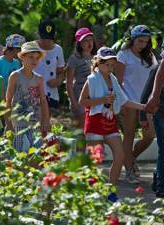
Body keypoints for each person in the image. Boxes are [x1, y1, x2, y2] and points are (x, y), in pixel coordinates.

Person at [79, 47, 145, 189]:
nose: (110, 68)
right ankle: (91, 193)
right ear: (98, 63)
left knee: (120, 155)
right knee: (95, 160)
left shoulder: (113, 80)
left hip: (109, 122)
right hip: (94, 123)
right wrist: (102, 100)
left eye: (112, 65)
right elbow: (82, 102)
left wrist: (143, 107)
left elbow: (124, 100)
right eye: (107, 64)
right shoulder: (91, 80)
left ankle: (111, 189)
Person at [115, 25, 157, 183]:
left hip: (146, 104)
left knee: (149, 136)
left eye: (146, 42)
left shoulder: (150, 56)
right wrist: (123, 102)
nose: (143, 44)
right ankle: (129, 170)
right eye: (140, 41)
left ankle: (130, 158)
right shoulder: (123, 55)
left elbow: (155, 79)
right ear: (132, 39)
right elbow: (118, 81)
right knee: (129, 135)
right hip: (129, 103)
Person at [6, 41, 50, 151]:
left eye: (36, 58)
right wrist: (8, 123)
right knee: (16, 152)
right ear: (22, 58)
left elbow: (43, 101)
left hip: (34, 121)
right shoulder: (15, 76)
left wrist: (46, 121)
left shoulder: (39, 79)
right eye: (31, 57)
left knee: (37, 151)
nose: (34, 60)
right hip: (17, 121)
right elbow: (8, 100)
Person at [141, 41, 164, 198]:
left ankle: (158, 177)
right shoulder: (158, 68)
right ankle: (161, 185)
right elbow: (146, 93)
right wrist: (143, 116)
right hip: (161, 109)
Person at [67, 28, 95, 129]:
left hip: (92, 98)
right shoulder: (74, 59)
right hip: (78, 97)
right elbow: (69, 83)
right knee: (81, 130)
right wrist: (73, 102)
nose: (89, 43)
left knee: (91, 129)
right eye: (85, 40)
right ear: (79, 43)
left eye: (91, 39)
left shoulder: (95, 58)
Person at [34, 19, 66, 110]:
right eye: (44, 38)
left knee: (46, 121)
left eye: (49, 38)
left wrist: (58, 81)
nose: (46, 41)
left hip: (50, 93)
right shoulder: (31, 48)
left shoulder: (58, 50)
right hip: (33, 92)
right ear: (38, 34)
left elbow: (61, 71)